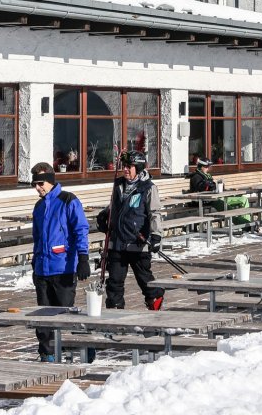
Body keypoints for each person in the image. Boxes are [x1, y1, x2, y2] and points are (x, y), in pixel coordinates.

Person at [31, 161, 90, 361]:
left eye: (40, 183)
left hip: (63, 266)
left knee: (66, 313)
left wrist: (83, 257)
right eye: (34, 184)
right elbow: (37, 237)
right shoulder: (39, 207)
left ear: (50, 180)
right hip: (43, 269)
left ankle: (85, 345)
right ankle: (47, 353)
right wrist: (34, 263)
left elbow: (80, 229)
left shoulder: (68, 200)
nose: (37, 188)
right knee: (43, 318)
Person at [96, 151, 164, 311]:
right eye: (123, 166)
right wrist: (105, 215)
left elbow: (155, 213)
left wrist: (156, 236)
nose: (125, 169)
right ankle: (115, 311)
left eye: (129, 167)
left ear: (139, 168)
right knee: (114, 282)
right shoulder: (118, 184)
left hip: (137, 242)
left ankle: (155, 298)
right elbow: (116, 206)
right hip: (118, 242)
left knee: (144, 280)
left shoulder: (148, 187)